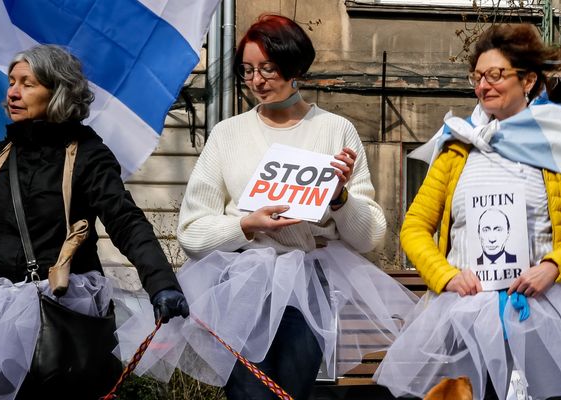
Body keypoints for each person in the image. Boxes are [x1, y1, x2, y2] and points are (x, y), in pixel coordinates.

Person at [115, 14, 417, 400]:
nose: (256, 81)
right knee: (249, 394)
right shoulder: (228, 134)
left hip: (308, 286)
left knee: (291, 390)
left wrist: (340, 198)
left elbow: (370, 236)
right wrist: (246, 225)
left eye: (268, 69)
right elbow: (191, 233)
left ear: (294, 68)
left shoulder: (335, 130)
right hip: (238, 285)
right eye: (247, 71)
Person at [375, 24, 561, 400]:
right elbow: (415, 227)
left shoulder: (559, 147)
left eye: (496, 74)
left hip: (544, 309)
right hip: (465, 310)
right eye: (478, 76)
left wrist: (553, 266)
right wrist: (446, 275)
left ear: (528, 80)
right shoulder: (456, 149)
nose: (484, 85)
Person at [0, 44, 189, 399]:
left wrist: (162, 283)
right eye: (11, 81)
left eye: (27, 83)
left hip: (63, 321)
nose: (12, 91)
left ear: (58, 92)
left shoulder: (88, 156)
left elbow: (126, 222)